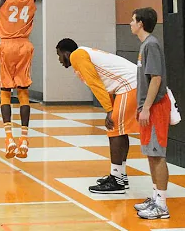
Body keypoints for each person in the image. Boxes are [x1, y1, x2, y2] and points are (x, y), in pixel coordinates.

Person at [56, 38, 139, 194]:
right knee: (120, 131)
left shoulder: (77, 56)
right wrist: (111, 107)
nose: (60, 60)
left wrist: (109, 110)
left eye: (59, 55)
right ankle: (120, 175)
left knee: (114, 129)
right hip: (130, 84)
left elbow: (96, 83)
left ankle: (117, 181)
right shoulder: (84, 53)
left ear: (65, 53)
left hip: (130, 84)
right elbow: (105, 84)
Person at [0, 0, 37, 159]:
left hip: (6, 46)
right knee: (23, 92)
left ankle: (8, 137)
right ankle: (24, 139)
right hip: (25, 47)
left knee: (5, 92)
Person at [131, 7, 171, 220]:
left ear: (141, 23)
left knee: (158, 155)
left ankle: (162, 206)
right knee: (150, 154)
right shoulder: (145, 46)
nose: (130, 23)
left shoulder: (152, 45)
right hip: (147, 108)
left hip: (155, 108)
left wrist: (146, 107)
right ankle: (156, 197)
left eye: (132, 20)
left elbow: (156, 78)